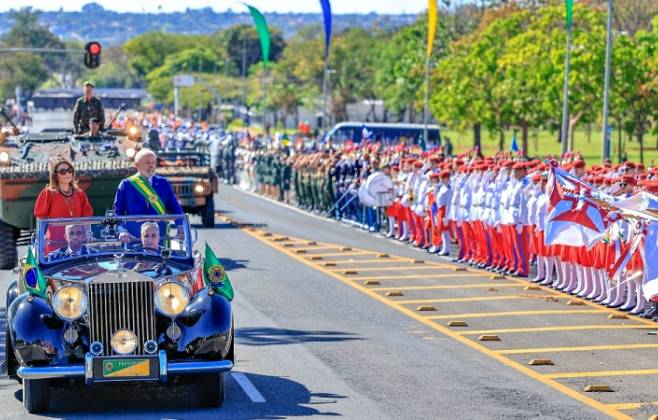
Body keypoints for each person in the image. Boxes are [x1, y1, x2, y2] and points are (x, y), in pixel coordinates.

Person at [113, 148, 184, 243]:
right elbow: (117, 212)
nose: (151, 166)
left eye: (153, 163)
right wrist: (121, 231)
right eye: (147, 163)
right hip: (133, 238)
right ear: (136, 165)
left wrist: (180, 226)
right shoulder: (126, 184)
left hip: (159, 238)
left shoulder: (163, 183)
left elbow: (176, 209)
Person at [34, 156, 94, 253]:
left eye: (69, 170)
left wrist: (88, 234)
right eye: (62, 171)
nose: (67, 174)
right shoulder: (48, 193)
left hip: (76, 244)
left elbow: (85, 218)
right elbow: (41, 220)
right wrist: (41, 239)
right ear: (55, 175)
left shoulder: (80, 193)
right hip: (54, 244)